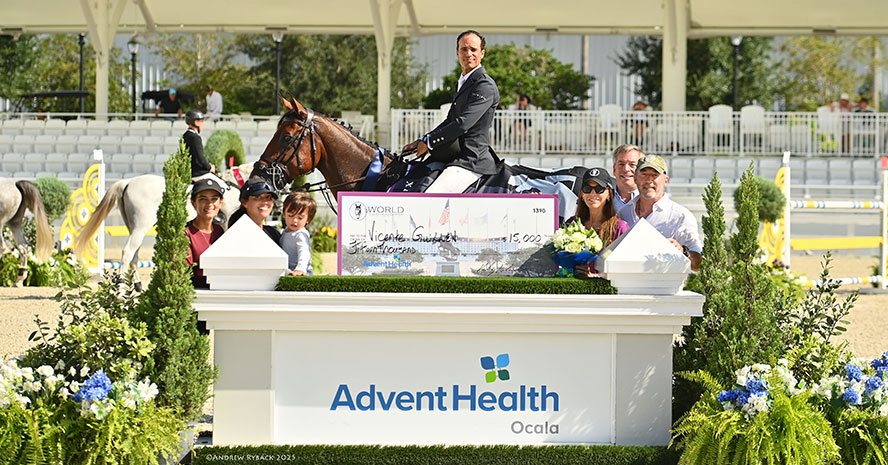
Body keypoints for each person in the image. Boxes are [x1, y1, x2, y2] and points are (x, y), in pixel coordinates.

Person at [400, 30, 499, 193]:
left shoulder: (485, 85)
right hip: (453, 155)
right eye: (464, 49)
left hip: (471, 159)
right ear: (457, 53)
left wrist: (430, 142)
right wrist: (422, 140)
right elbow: (450, 120)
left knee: (430, 196)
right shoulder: (464, 81)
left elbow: (462, 124)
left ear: (482, 53)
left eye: (473, 49)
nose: (468, 54)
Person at [617, 154, 703, 271]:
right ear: (636, 179)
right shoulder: (624, 212)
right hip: (627, 285)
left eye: (654, 175)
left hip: (665, 287)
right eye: (644, 174)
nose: (648, 180)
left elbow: (699, 264)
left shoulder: (681, 216)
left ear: (665, 180)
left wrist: (683, 251)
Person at [565, 167, 629, 277]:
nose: (593, 193)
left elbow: (625, 269)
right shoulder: (571, 223)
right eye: (587, 188)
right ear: (582, 194)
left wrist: (594, 277)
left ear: (609, 194)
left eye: (599, 189)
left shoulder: (620, 228)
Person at [185, 178, 225, 290]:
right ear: (193, 203)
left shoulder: (219, 231)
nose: (209, 204)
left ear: (220, 203)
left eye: (214, 199)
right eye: (203, 199)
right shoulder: (186, 233)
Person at [227, 178, 281, 243]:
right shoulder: (236, 235)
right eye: (258, 197)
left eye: (268, 197)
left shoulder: (273, 234)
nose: (265, 202)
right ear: (244, 202)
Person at [280, 192, 316, 276]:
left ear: (308, 219)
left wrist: (300, 269)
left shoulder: (300, 234)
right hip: (289, 272)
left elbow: (304, 252)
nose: (294, 221)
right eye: (290, 215)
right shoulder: (285, 232)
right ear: (284, 214)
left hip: (302, 274)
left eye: (300, 218)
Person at [182, 109, 220, 182]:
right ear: (196, 122)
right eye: (202, 121)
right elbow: (200, 158)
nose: (203, 124)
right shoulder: (196, 137)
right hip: (197, 173)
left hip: (188, 171)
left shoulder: (185, 135)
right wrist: (209, 167)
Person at [611, 144, 642, 213]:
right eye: (621, 164)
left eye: (632, 164)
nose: (626, 169)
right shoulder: (604, 200)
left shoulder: (651, 201)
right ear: (614, 170)